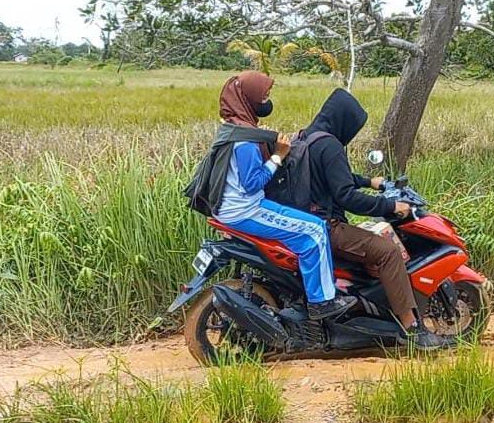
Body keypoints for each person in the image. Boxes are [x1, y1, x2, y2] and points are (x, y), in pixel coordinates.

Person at [187, 72, 355, 320]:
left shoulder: (234, 127)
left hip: (232, 207)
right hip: (246, 209)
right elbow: (252, 183)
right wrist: (278, 155)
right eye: (263, 96)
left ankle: (300, 290)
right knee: (315, 232)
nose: (266, 101)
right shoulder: (245, 140)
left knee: (311, 225)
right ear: (248, 98)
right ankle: (321, 302)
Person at [302, 88, 447, 349]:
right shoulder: (330, 146)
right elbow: (346, 196)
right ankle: (411, 329)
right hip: (328, 227)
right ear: (344, 120)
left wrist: (369, 181)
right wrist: (391, 206)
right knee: (388, 251)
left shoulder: (309, 137)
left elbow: (335, 177)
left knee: (371, 247)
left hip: (308, 221)